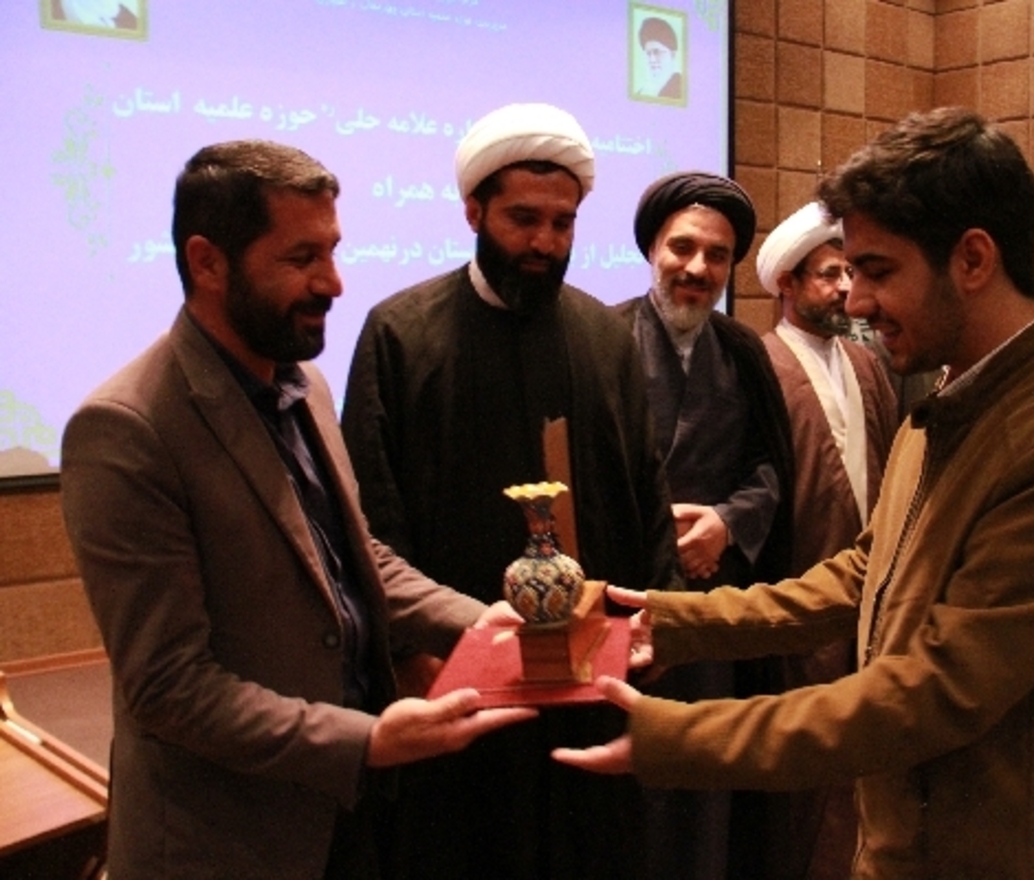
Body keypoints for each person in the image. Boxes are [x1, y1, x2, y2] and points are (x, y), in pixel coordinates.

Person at [555, 107, 1034, 879]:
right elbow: (864, 572)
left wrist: (680, 737)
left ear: (972, 259)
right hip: (905, 841)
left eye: (877, 271)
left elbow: (935, 692)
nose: (858, 300)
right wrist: (671, 621)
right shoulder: (952, 400)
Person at [59, 139, 535, 880]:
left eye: (333, 251)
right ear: (208, 263)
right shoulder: (127, 429)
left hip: (346, 818)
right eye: (301, 258)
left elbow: (354, 560)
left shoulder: (304, 383)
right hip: (226, 846)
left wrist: (478, 622)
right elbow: (169, 687)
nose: (333, 282)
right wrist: (365, 742)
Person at [340, 103, 677, 879]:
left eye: (562, 224)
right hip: (459, 685)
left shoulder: (604, 337)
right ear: (473, 211)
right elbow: (372, 514)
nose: (544, 244)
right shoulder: (401, 334)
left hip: (590, 679)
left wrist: (661, 619)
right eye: (524, 219)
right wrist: (411, 652)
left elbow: (645, 487)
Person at [617, 171, 795, 879]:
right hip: (624, 604)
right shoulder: (600, 339)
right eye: (682, 248)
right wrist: (656, 537)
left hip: (713, 606)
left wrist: (725, 523)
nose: (697, 268)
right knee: (626, 783)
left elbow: (770, 469)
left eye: (717, 255)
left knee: (705, 784)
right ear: (652, 250)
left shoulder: (744, 351)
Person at [755, 201, 898, 879]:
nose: (845, 288)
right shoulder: (762, 364)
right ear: (787, 283)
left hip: (867, 593)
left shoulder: (867, 364)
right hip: (797, 595)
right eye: (828, 275)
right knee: (805, 763)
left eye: (849, 274)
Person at [637, 16, 683, 99]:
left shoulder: (682, 88)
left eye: (657, 52)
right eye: (648, 54)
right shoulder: (641, 93)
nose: (652, 60)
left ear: (672, 55)